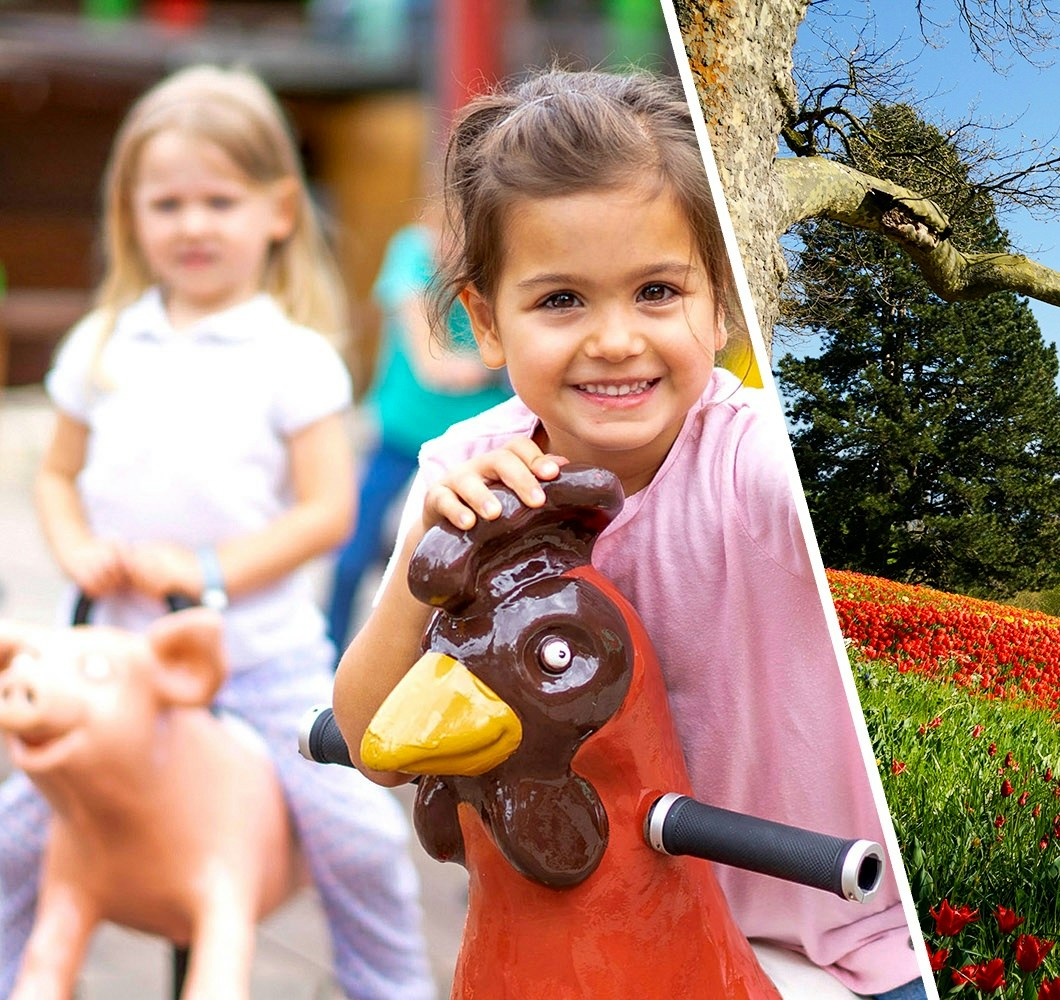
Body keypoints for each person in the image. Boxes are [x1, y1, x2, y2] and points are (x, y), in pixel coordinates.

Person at [331, 70, 930, 1000]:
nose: (615, 339)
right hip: (622, 932)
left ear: (720, 307)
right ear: (486, 321)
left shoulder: (749, 464)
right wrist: (430, 552)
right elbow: (373, 739)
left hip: (842, 934)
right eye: (561, 300)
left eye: (657, 291)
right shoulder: (468, 469)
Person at [9, 65, 435, 999]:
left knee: (360, 841)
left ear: (278, 209)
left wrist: (204, 569)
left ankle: (392, 988)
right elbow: (55, 473)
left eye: (219, 199)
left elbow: (325, 512)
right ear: (132, 214)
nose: (193, 224)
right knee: (13, 838)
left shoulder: (295, 359)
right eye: (167, 203)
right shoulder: (104, 344)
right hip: (115, 664)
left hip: (263, 664)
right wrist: (75, 544)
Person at [324, 198, 509, 653]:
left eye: (460, 242)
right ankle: (330, 659)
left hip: (473, 447)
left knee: (469, 572)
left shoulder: (498, 266)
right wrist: (496, 367)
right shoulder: (411, 253)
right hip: (402, 433)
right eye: (442, 236)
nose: (448, 250)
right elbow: (433, 365)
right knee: (352, 557)